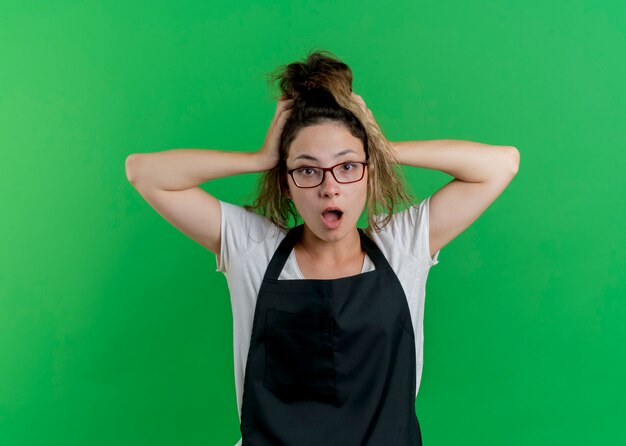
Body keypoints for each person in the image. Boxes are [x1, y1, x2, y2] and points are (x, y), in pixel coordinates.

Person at [125, 49, 520, 445]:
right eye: (308, 169)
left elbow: (501, 165)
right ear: (286, 182)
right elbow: (143, 172)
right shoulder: (253, 250)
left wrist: (382, 146)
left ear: (368, 173)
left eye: (347, 166)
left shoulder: (403, 247)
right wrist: (258, 158)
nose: (329, 187)